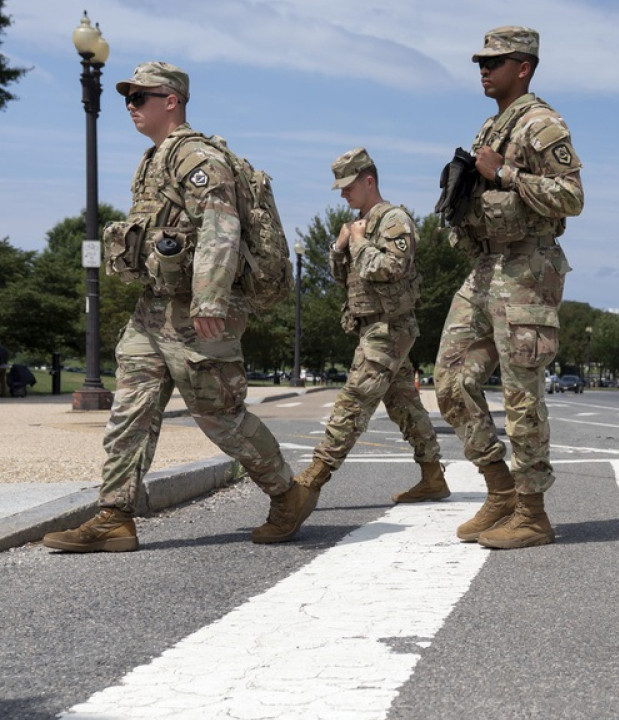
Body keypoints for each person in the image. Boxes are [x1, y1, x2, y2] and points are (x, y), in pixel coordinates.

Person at [42, 62, 314, 552]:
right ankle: (115, 516)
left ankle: (287, 495)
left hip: (195, 311)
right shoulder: (152, 160)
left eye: (139, 97)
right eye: (127, 97)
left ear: (171, 101)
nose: (130, 105)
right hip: (153, 307)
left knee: (218, 415)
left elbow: (220, 226)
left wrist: (210, 298)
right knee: (130, 410)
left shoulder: (195, 156)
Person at [434, 26, 584, 549]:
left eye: (494, 62)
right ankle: (500, 490)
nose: (483, 69)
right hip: (485, 267)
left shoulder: (543, 124)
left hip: (527, 270)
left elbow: (571, 197)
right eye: (481, 62)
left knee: (521, 394)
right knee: (450, 380)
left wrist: (506, 176)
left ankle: (532, 513)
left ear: (523, 68)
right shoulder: (491, 127)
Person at [290, 148, 452, 504]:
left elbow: (392, 268)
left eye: (349, 187)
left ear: (369, 181)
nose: (344, 194)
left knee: (354, 399)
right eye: (341, 189)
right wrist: (339, 248)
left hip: (390, 327)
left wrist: (360, 243)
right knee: (404, 405)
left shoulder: (394, 220)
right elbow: (345, 279)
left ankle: (311, 481)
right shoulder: (357, 225)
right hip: (371, 327)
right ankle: (433, 476)